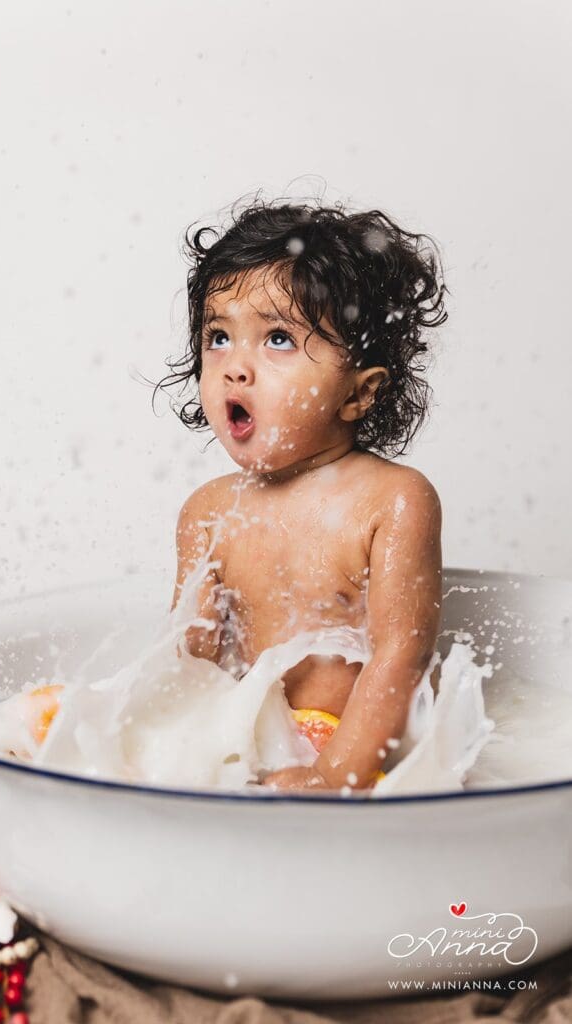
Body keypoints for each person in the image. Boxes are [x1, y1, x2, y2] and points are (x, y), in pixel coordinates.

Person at [158, 196, 446, 792]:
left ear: (359, 393)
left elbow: (402, 655)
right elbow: (190, 665)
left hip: (362, 755)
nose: (235, 367)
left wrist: (333, 777)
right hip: (254, 748)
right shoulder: (209, 512)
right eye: (218, 336)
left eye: (279, 339)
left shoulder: (392, 501)